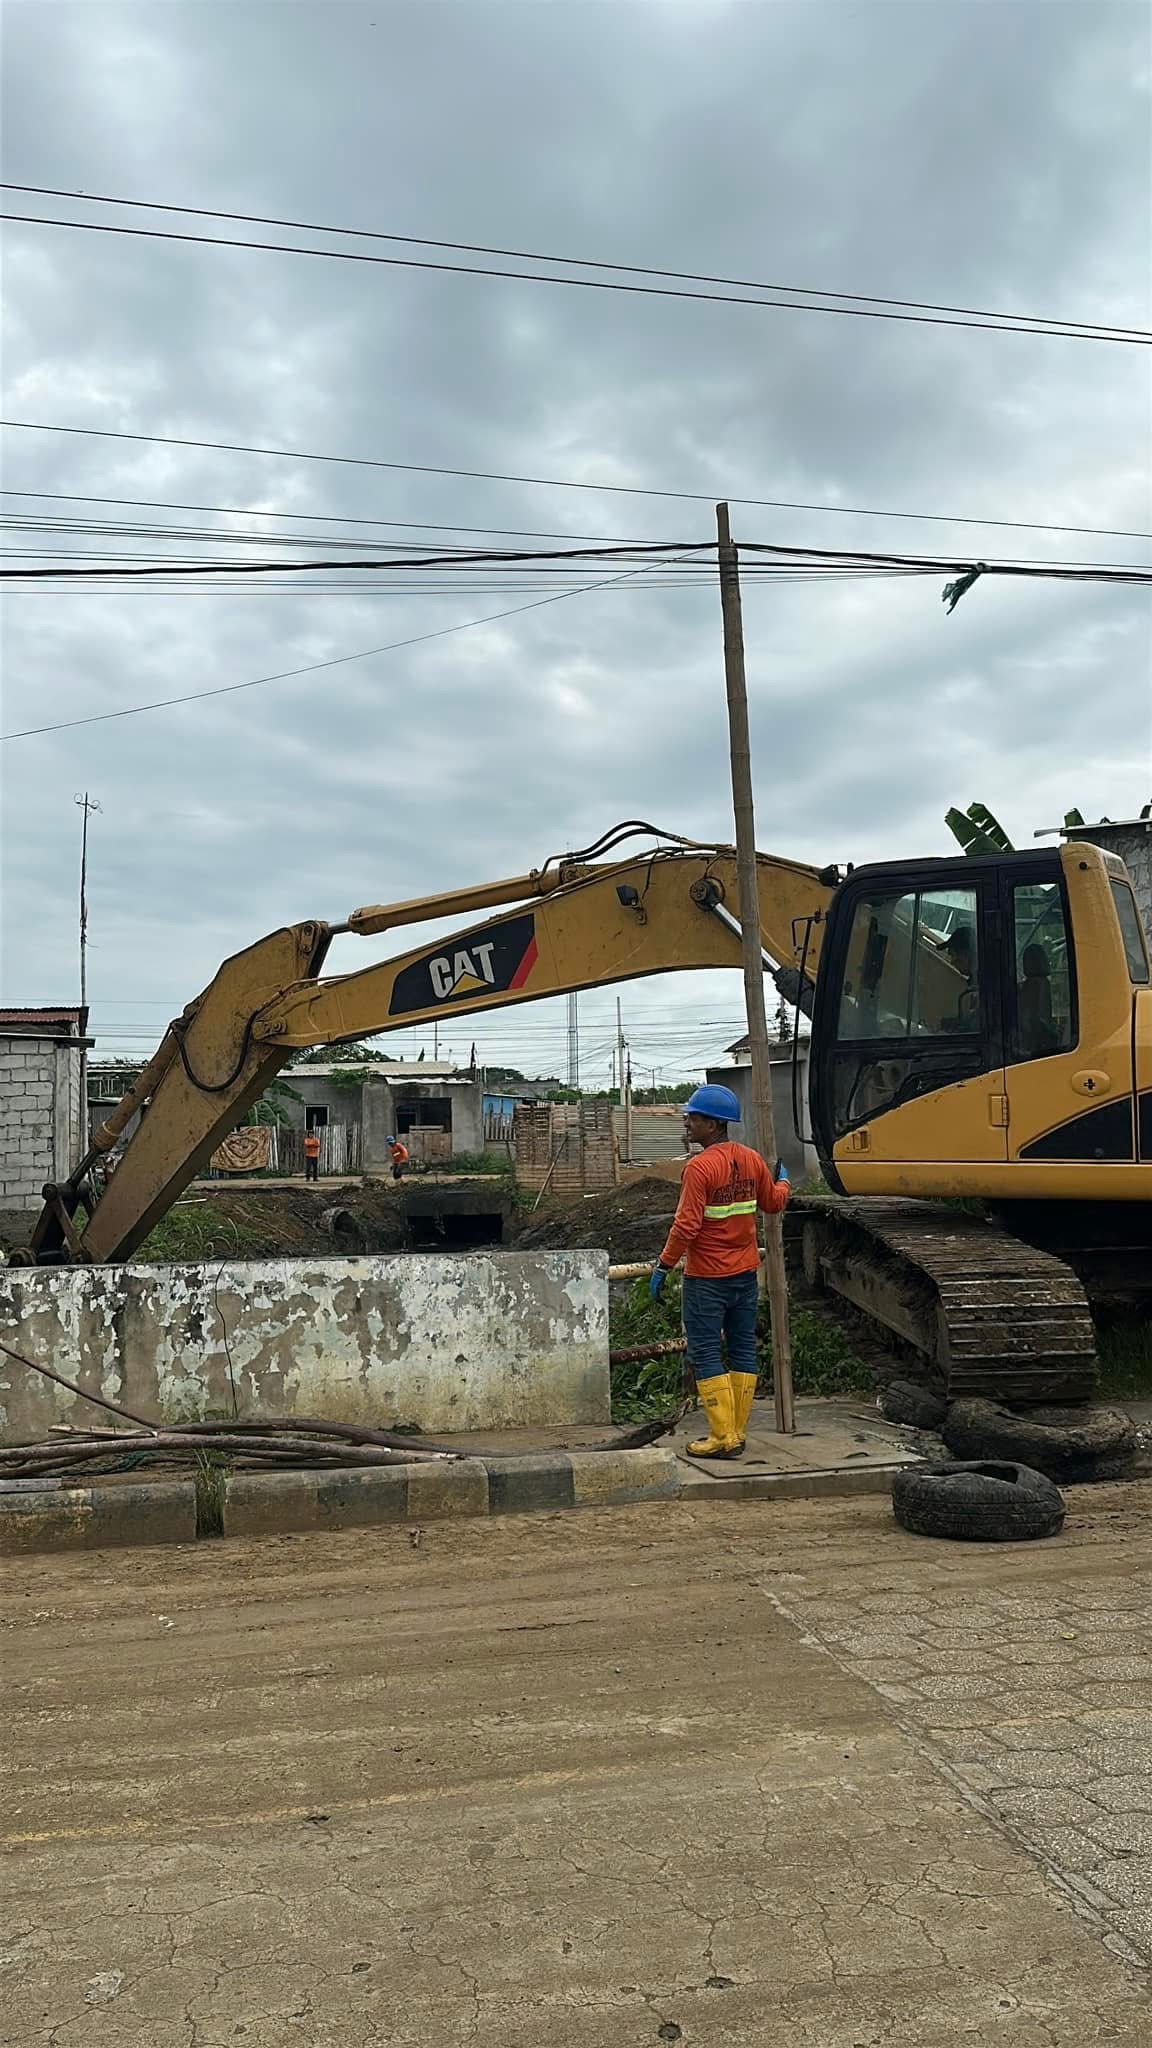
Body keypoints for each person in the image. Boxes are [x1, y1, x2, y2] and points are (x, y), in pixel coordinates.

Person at [649, 1085, 789, 1459]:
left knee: (706, 1352)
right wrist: (784, 1181)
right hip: (745, 1276)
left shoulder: (699, 1168)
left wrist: (663, 1266)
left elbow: (686, 1226)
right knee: (742, 1348)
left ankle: (723, 1438)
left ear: (712, 1125)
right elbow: (773, 1203)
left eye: (693, 1118)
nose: (687, 1122)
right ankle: (736, 1433)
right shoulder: (752, 1159)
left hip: (707, 1280)